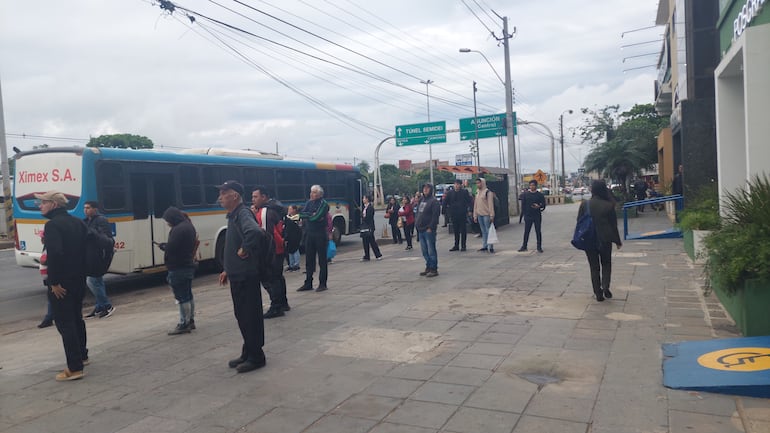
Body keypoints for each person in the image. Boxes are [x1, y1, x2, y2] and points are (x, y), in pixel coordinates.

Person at [35, 190, 89, 381]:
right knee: (76, 319)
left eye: (42, 202)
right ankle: (82, 355)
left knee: (65, 324)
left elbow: (55, 254)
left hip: (62, 283)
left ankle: (74, 368)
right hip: (79, 279)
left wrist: (54, 282)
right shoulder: (78, 222)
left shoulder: (53, 225)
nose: (39, 206)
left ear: (54, 205)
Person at [216, 180, 267, 373]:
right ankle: (248, 351)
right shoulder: (234, 215)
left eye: (223, 193)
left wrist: (245, 249)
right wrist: (227, 269)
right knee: (242, 316)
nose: (220, 197)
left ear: (235, 195)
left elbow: (254, 233)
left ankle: (256, 356)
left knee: (249, 316)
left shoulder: (243, 213)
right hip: (237, 274)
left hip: (246, 275)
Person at [578, 180, 622, 302]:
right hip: (605, 239)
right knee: (606, 264)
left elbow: (579, 222)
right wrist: (617, 241)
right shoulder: (609, 205)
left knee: (594, 267)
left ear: (592, 190)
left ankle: (598, 293)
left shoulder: (585, 204)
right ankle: (606, 286)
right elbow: (613, 225)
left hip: (589, 239)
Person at [156, 207, 198, 334]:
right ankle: (190, 320)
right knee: (188, 294)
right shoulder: (188, 226)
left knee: (181, 297)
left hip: (178, 266)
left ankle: (183, 323)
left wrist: (164, 246)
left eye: (168, 220)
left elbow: (173, 248)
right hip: (187, 264)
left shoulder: (178, 229)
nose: (167, 223)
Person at [251, 186, 290, 318]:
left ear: (264, 197)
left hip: (271, 251)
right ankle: (283, 303)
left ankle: (276, 307)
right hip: (279, 249)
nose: (253, 200)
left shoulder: (264, 212)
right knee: (278, 277)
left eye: (255, 197)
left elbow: (266, 235)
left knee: (270, 279)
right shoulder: (274, 209)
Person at [82, 201, 115, 319]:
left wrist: (93, 233)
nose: (85, 210)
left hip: (98, 256)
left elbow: (106, 239)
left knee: (92, 281)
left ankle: (107, 305)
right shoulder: (85, 221)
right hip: (89, 255)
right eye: (84, 208)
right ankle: (99, 306)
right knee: (97, 281)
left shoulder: (101, 220)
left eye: (88, 208)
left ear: (95, 209)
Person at [297, 185, 330, 292]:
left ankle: (322, 283)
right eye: (311, 192)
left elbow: (317, 217)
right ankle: (308, 282)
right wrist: (310, 215)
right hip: (309, 233)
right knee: (309, 259)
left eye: (314, 192)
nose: (312, 194)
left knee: (322, 260)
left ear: (320, 194)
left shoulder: (323, 204)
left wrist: (310, 216)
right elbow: (302, 214)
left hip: (320, 234)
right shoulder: (309, 203)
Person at [415, 183, 440, 277]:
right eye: (424, 188)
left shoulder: (434, 201)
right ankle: (428, 266)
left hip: (428, 230)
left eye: (427, 188)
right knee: (424, 250)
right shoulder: (421, 200)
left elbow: (435, 216)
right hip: (420, 229)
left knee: (431, 250)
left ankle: (434, 268)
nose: (425, 190)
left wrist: (431, 227)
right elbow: (418, 212)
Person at [519, 180, 546, 253]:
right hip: (528, 215)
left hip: (537, 215)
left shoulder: (539, 195)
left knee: (538, 231)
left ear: (536, 186)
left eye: (533, 185)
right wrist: (524, 214)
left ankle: (539, 246)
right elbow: (523, 205)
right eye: (530, 185)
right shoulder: (525, 194)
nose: (532, 187)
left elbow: (543, 204)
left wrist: (539, 206)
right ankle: (524, 246)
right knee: (526, 231)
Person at [445, 179, 473, 252]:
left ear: (460, 185)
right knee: (455, 230)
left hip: (462, 213)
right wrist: (445, 211)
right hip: (454, 214)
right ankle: (456, 245)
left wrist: (470, 210)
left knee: (463, 230)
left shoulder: (464, 192)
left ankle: (463, 245)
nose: (456, 186)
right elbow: (445, 201)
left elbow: (469, 201)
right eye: (455, 184)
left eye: (458, 184)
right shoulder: (450, 193)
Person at [473, 178, 496, 253]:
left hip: (486, 214)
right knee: (483, 231)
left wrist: (492, 215)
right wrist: (475, 214)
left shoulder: (488, 192)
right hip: (479, 214)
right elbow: (475, 204)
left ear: (483, 183)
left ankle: (490, 246)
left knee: (488, 230)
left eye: (479, 183)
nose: (478, 185)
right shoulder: (477, 192)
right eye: (477, 183)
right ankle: (485, 245)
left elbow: (490, 204)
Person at [360, 195, 383, 261]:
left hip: (369, 226)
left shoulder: (370, 207)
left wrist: (363, 217)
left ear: (367, 199)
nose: (363, 199)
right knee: (365, 242)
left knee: (372, 241)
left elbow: (368, 217)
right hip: (364, 227)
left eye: (364, 198)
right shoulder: (364, 207)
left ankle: (378, 255)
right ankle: (367, 256)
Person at [284, 205, 302, 272]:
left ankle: (296, 265)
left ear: (294, 210)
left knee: (295, 250)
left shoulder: (297, 217)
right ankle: (291, 265)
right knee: (290, 251)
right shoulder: (288, 218)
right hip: (290, 236)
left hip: (295, 236)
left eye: (290, 209)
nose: (289, 210)